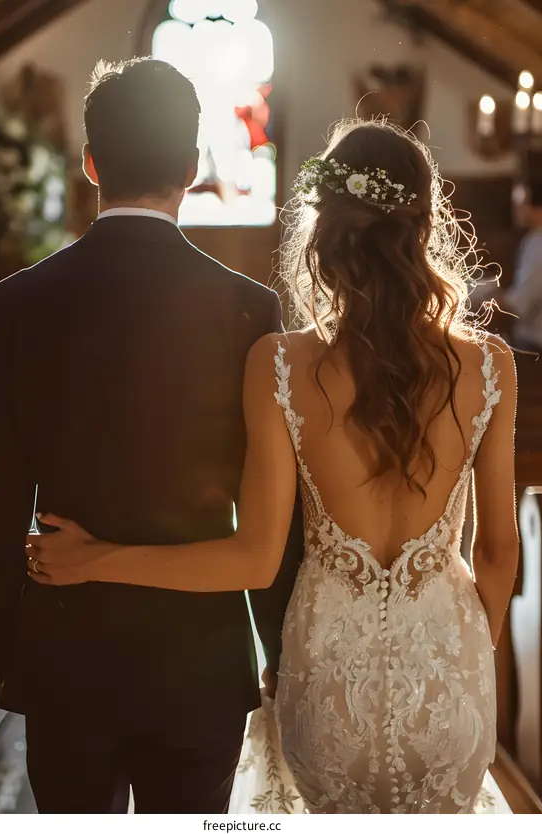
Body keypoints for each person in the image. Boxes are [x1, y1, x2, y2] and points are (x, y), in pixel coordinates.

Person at [27, 119, 520, 814]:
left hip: (327, 682)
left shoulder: (281, 365)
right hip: (448, 684)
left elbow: (254, 561)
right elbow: (499, 554)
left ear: (324, 233)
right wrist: (466, 651)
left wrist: (95, 558)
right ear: (424, 222)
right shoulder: (489, 367)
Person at [0, 57, 303, 814]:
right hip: (200, 661)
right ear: (191, 167)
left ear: (90, 164)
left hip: (65, 657)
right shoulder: (247, 308)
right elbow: (278, 508)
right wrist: (278, 650)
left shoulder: (17, 305)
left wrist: (11, 654)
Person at [503, 180, 542, 353]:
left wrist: (486, 298)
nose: (515, 211)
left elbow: (521, 302)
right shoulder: (533, 239)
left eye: (520, 204)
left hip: (536, 344)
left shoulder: (538, 243)